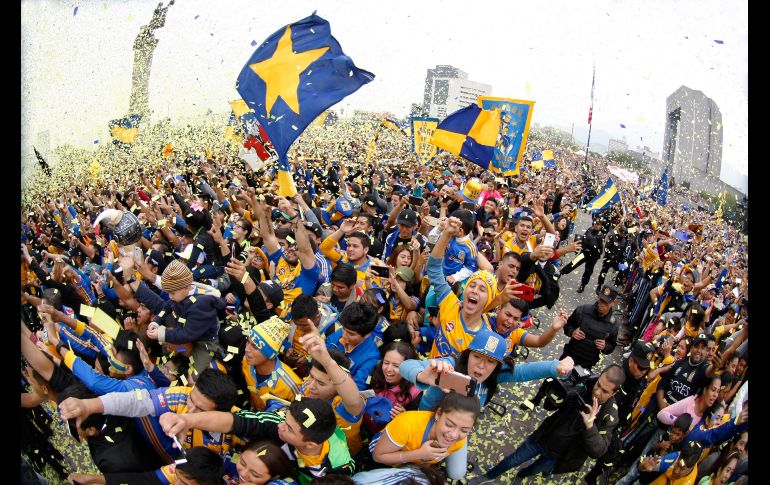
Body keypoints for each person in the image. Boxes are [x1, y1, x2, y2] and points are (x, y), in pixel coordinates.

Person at [468, 364, 626, 484]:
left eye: (605, 391)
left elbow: (598, 451)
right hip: (543, 438)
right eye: (598, 385)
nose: (597, 392)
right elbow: (551, 405)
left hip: (560, 456)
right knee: (512, 460)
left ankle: (521, 475)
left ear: (615, 393)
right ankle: (489, 476)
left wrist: (590, 427)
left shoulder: (610, 415)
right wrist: (560, 390)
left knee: (533, 469)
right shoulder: (585, 382)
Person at [159, 396, 355, 484]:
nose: (280, 427)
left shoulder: (339, 467)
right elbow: (234, 422)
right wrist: (186, 420)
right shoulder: (278, 423)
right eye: (285, 420)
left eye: (289, 429)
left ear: (310, 444)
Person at [59, 368, 241, 456]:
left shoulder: (239, 425)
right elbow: (138, 401)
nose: (190, 410)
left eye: (201, 409)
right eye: (191, 400)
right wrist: (90, 406)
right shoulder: (180, 395)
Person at [401, 330, 574, 410]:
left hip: (460, 429)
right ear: (468, 355)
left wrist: (554, 367)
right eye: (477, 357)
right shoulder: (450, 365)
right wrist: (423, 376)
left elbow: (522, 372)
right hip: (425, 418)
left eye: (490, 361)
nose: (482, 366)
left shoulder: (496, 375)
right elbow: (405, 365)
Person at [427, 217, 499, 358]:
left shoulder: (486, 337)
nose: (474, 290)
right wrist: (447, 234)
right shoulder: (450, 305)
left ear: (489, 299)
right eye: (472, 285)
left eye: (482, 289)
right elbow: (434, 269)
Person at [370, 391, 481, 481]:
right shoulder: (406, 424)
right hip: (385, 452)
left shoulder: (459, 441)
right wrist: (419, 454)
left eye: (464, 430)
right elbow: (378, 456)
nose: (453, 435)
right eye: (449, 425)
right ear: (438, 414)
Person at [325, 302, 381, 391]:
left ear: (367, 334)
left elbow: (355, 389)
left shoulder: (371, 359)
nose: (343, 335)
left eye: (351, 334)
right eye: (343, 329)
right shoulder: (343, 331)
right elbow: (325, 350)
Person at [560, 215, 604, 293]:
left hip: (592, 257)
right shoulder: (590, 229)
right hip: (584, 253)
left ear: (600, 226)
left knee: (588, 272)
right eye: (595, 223)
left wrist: (591, 242)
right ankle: (561, 272)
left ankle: (583, 285)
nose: (596, 225)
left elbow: (598, 248)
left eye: (598, 224)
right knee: (574, 263)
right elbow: (583, 238)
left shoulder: (600, 236)